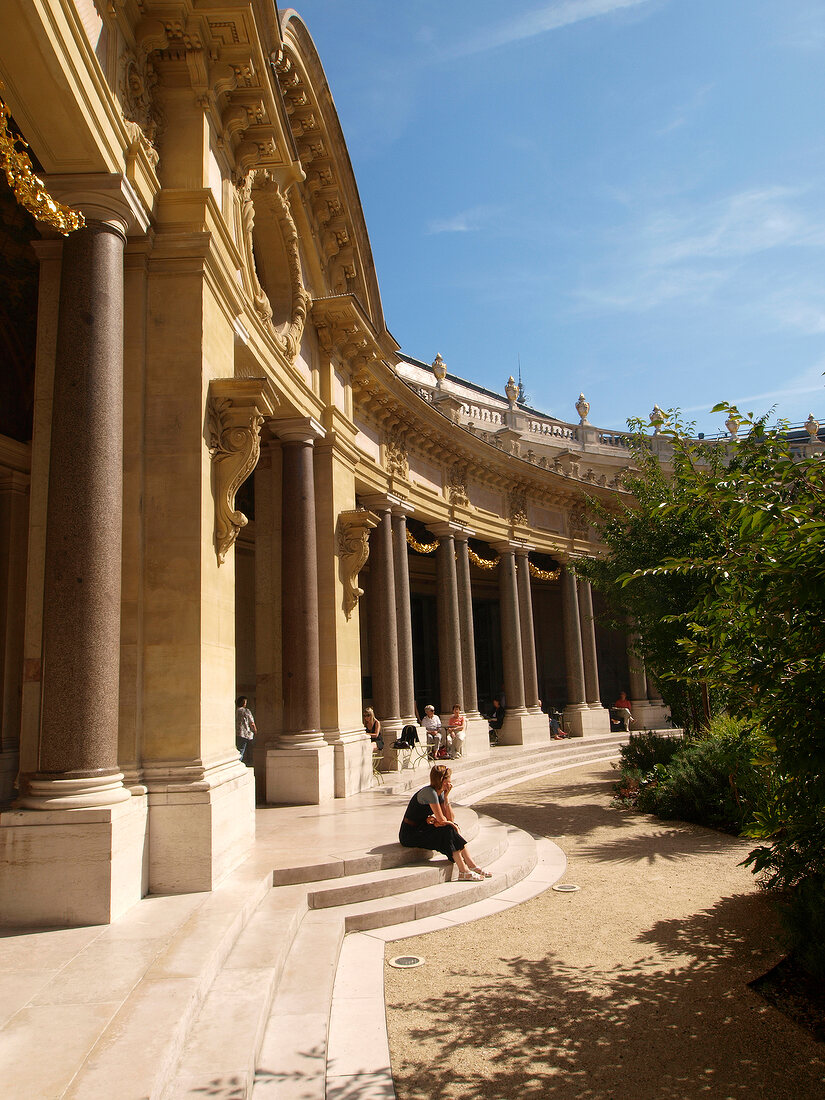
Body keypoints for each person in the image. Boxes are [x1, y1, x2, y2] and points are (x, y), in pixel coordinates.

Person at [399, 765, 492, 881]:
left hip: (422, 828)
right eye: (449, 779)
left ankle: (469, 867)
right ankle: (466, 869)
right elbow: (443, 820)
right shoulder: (430, 792)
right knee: (449, 830)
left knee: (450, 830)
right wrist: (448, 824)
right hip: (410, 833)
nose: (450, 782)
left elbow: (450, 818)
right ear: (442, 780)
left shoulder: (441, 793)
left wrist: (446, 798)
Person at [235, 695, 257, 764]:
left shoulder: (235, 711)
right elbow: (251, 722)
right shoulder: (246, 711)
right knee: (242, 750)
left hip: (236, 733)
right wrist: (255, 730)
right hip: (244, 733)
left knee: (239, 749)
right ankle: (238, 763)